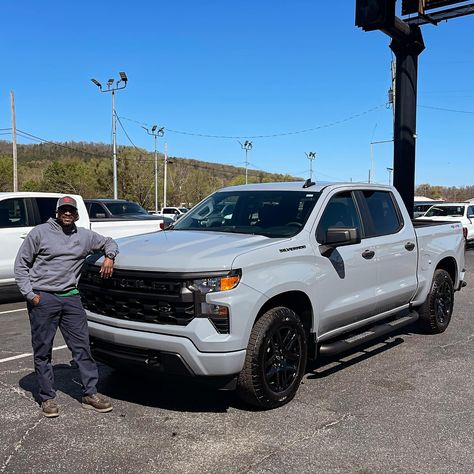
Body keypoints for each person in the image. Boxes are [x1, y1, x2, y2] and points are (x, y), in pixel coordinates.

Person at [14, 196, 119, 418]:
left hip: (71, 298)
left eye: (71, 210)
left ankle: (90, 394)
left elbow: (110, 241)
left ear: (76, 213)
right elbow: (21, 264)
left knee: (82, 348)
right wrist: (31, 295)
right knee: (43, 350)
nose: (68, 213)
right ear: (57, 212)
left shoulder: (84, 236)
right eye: (64, 210)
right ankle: (47, 397)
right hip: (43, 298)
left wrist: (109, 257)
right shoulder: (40, 233)